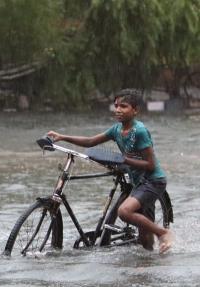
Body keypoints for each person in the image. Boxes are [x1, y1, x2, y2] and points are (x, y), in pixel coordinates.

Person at [47, 88, 173, 254]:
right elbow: (91, 141)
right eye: (116, 106)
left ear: (135, 110)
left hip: (152, 181)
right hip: (137, 182)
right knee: (144, 238)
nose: (118, 110)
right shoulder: (116, 130)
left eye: (124, 106)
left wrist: (124, 160)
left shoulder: (140, 131)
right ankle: (148, 265)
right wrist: (63, 137)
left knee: (124, 211)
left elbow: (150, 164)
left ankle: (163, 233)